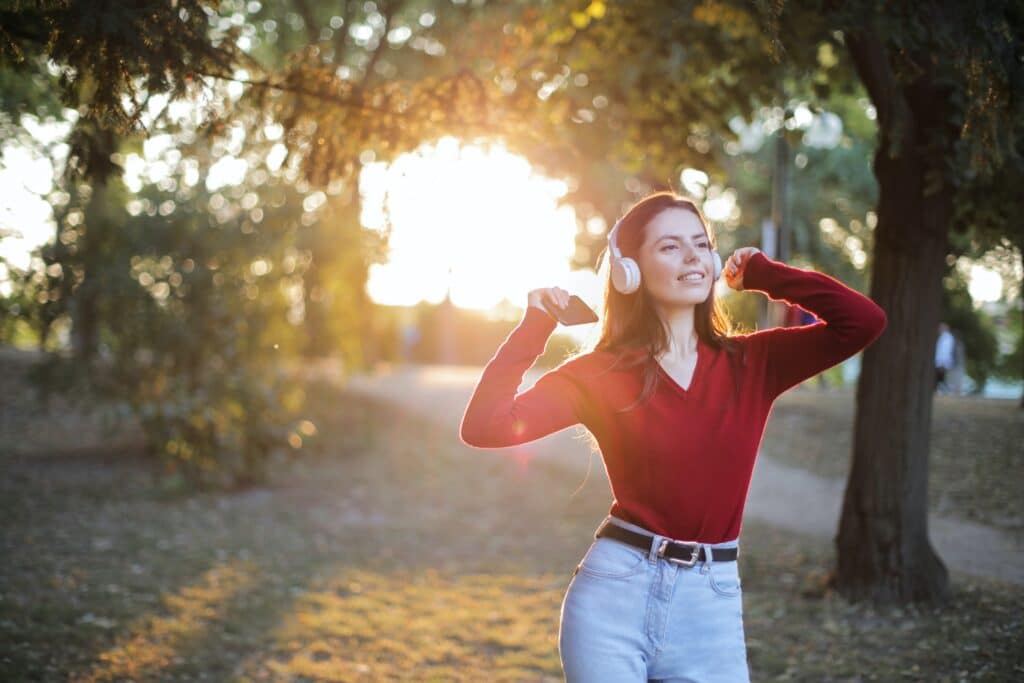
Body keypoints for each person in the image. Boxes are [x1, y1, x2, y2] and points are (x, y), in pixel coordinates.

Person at [459, 191, 887, 682]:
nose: (693, 257)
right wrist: (534, 326)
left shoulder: (753, 364)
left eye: (701, 244)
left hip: (712, 604)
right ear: (628, 271)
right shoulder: (601, 373)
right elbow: (485, 426)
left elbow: (863, 323)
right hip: (613, 598)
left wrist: (767, 276)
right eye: (669, 247)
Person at [935, 322, 955, 393]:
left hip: (942, 362)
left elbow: (945, 351)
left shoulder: (947, 338)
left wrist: (942, 362)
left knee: (940, 378)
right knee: (940, 378)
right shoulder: (943, 337)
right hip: (940, 361)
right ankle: (943, 390)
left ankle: (944, 390)